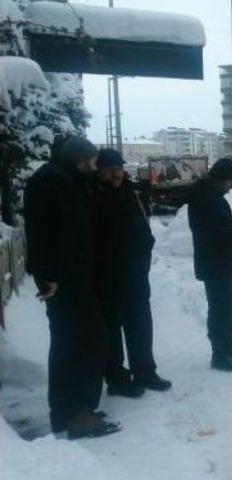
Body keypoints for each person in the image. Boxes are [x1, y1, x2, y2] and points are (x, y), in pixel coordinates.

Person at [24, 136, 122, 439]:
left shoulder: (61, 178)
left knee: (72, 345)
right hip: (65, 281)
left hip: (68, 278)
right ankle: (79, 414)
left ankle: (69, 412)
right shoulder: (55, 183)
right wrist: (47, 275)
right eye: (93, 161)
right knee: (86, 343)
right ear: (80, 159)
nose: (96, 167)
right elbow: (44, 233)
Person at [92, 149, 171, 398]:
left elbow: (143, 224)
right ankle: (117, 379)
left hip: (136, 274)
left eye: (118, 168)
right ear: (100, 171)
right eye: (109, 169)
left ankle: (145, 372)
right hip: (108, 278)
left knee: (140, 325)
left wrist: (145, 249)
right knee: (112, 331)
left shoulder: (132, 192)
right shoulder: (93, 195)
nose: (116, 174)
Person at [187, 158, 232, 372]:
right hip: (214, 263)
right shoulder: (204, 198)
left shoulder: (211, 194)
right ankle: (220, 354)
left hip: (221, 262)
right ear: (221, 178)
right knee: (221, 309)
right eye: (231, 181)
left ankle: (231, 346)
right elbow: (212, 233)